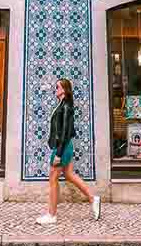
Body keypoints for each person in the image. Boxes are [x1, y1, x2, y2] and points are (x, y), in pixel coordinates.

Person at [36, 78, 101, 225]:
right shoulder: (63, 105)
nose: (55, 89)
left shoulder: (66, 107)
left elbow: (65, 132)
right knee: (69, 175)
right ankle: (92, 198)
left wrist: (58, 154)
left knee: (53, 179)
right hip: (65, 145)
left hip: (63, 147)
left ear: (65, 89)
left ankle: (52, 215)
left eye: (58, 87)